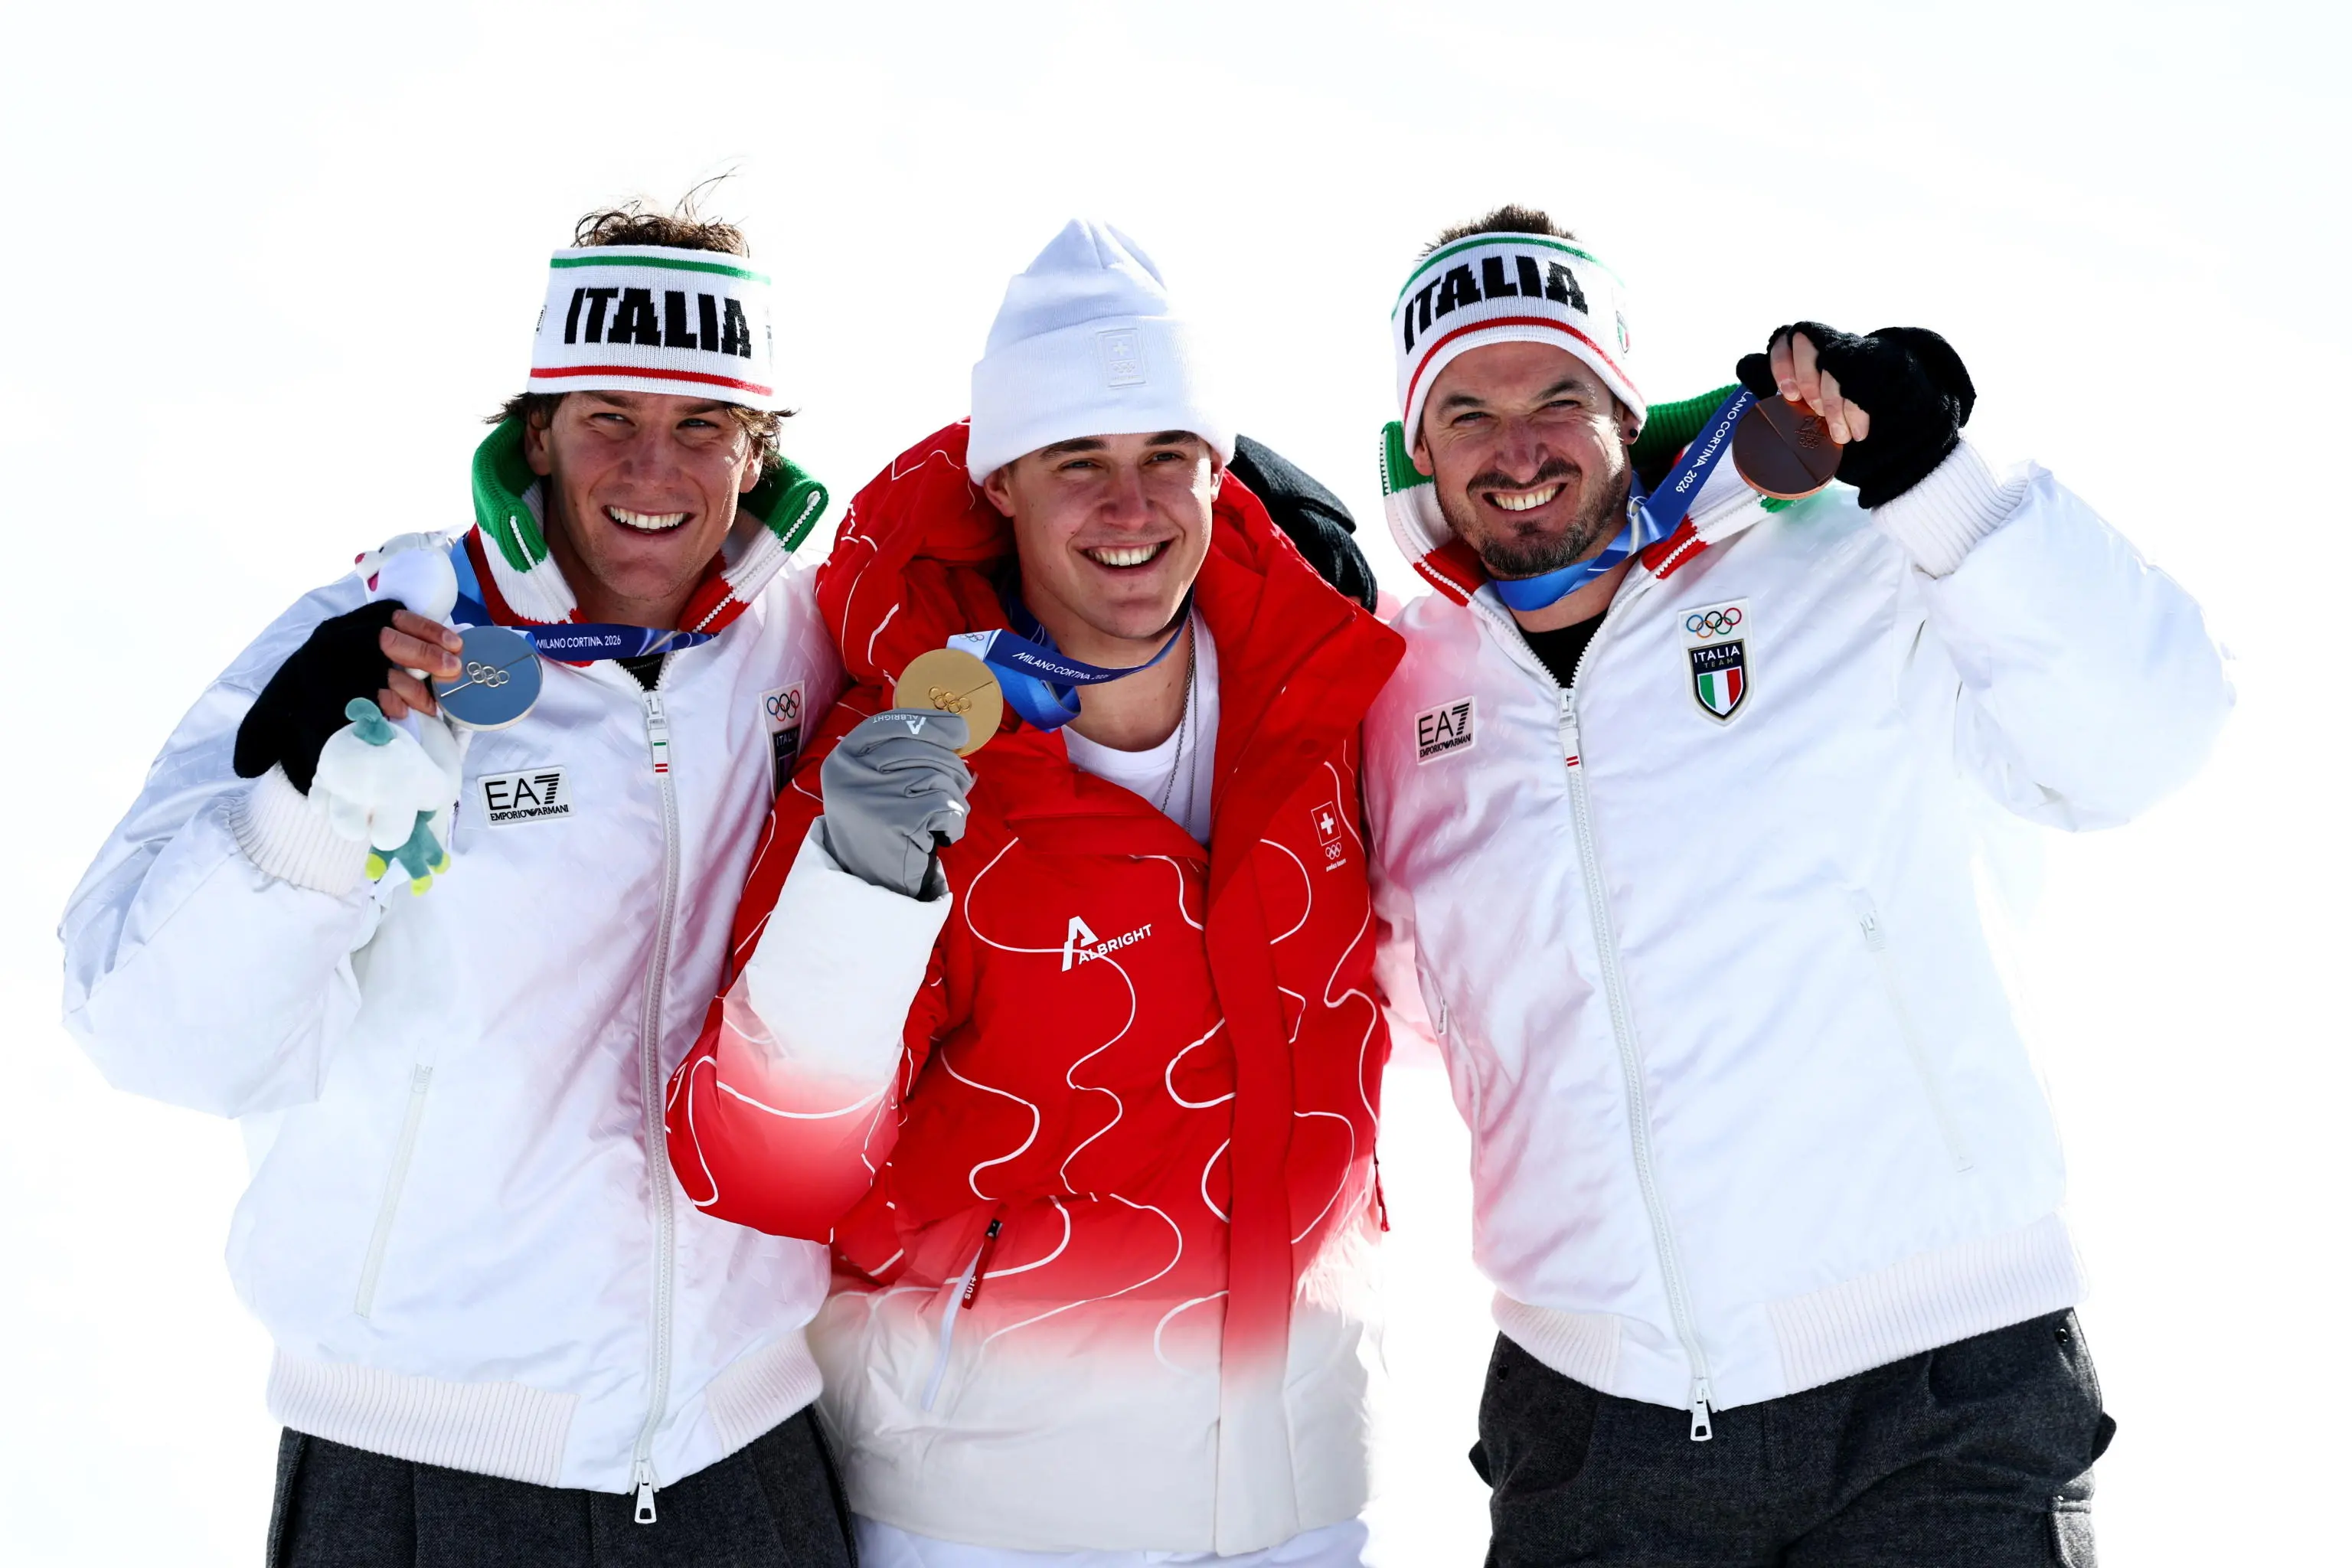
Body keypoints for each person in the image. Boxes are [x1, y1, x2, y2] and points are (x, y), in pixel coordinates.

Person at [1364, 206, 2231, 1564]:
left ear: (1626, 404)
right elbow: (1395, 1016)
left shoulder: (1839, 554)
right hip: (1595, 1425)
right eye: (1467, 409)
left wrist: (1943, 481)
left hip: (1935, 1395)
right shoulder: (1402, 688)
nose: (1516, 449)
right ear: (1418, 443)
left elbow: (2147, 737)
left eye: (1558, 396)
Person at [59, 201, 856, 1565]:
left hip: (747, 1452)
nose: (651, 469)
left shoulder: (811, 637)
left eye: (702, 427)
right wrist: (311, 813)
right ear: (535, 428)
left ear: (759, 448)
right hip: (424, 1459)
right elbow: (148, 1032)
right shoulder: (381, 626)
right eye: (608, 415)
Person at [665, 220, 1402, 1566]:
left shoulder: (1329, 708)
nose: (1131, 510)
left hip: (1297, 1498)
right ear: (1002, 481)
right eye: (1080, 464)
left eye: (1165, 458)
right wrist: (857, 890)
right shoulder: (898, 755)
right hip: (981, 1515)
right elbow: (759, 1165)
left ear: (1218, 470)